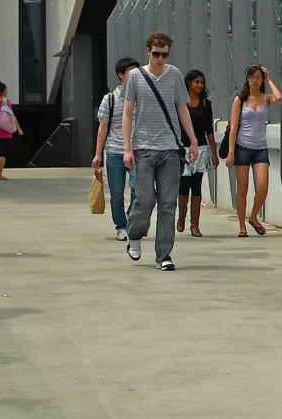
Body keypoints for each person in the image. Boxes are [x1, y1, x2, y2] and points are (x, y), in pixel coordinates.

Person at [121, 32, 199, 270]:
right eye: (156, 54)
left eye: (164, 54)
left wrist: (193, 141)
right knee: (145, 200)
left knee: (167, 204)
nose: (160, 59)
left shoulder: (174, 75)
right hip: (143, 148)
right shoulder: (134, 77)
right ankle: (134, 234)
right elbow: (127, 112)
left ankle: (163, 255)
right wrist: (126, 148)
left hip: (169, 149)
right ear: (148, 51)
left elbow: (182, 109)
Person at [227, 63, 282, 237]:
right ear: (247, 79)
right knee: (242, 188)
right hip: (242, 147)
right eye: (252, 77)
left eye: (258, 77)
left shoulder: (266, 98)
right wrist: (231, 152)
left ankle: (253, 217)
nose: (255, 80)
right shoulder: (240, 100)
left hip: (260, 147)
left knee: (262, 186)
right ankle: (242, 226)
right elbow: (234, 126)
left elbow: (279, 97)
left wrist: (270, 79)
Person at [92, 56, 138, 237]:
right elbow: (102, 127)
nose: (135, 75)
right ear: (121, 75)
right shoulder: (110, 99)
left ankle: (131, 218)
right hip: (114, 151)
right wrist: (97, 154)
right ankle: (121, 226)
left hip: (137, 151)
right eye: (130, 73)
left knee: (139, 190)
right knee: (117, 192)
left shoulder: (141, 97)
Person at [178, 69, 216, 238]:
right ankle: (181, 216)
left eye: (202, 82)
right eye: (196, 82)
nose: (200, 85)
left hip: (201, 150)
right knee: (183, 185)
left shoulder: (206, 104)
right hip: (183, 150)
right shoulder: (180, 103)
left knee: (197, 186)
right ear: (188, 83)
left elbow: (209, 130)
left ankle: (195, 224)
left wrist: (214, 152)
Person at [0, 81, 20, 181]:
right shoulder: (6, 102)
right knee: (3, 152)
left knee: (0, 151)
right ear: (2, 91)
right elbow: (12, 116)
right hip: (5, 131)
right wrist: (18, 128)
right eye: (6, 90)